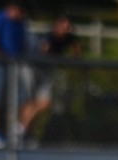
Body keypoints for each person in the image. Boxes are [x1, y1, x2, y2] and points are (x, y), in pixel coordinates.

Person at [0, 0, 37, 149]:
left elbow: (23, 43)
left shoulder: (20, 22)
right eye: (21, 11)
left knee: (23, 98)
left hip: (16, 64)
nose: (22, 14)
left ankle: (18, 133)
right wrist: (3, 57)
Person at [21, 15, 81, 145]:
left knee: (45, 104)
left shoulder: (68, 37)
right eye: (63, 27)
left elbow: (76, 48)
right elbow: (45, 49)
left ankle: (22, 128)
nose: (65, 30)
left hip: (47, 72)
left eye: (68, 28)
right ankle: (25, 134)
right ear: (57, 26)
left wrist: (74, 59)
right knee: (30, 101)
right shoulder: (50, 36)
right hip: (33, 68)